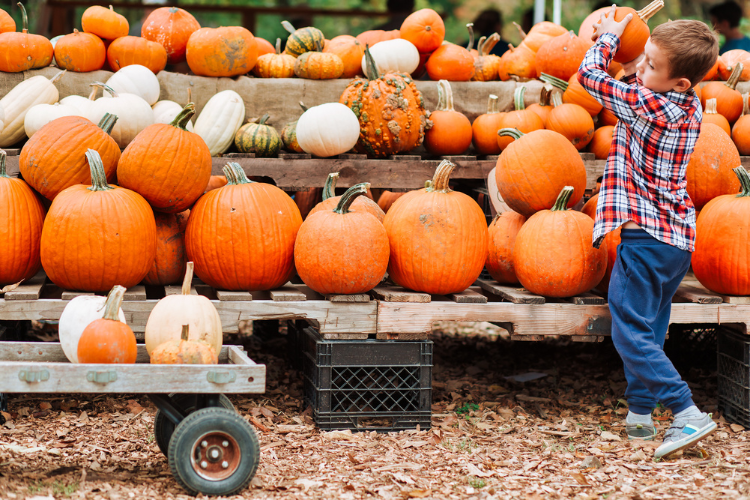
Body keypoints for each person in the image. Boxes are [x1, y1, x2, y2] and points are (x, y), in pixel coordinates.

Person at [577, 8, 719, 460]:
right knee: (649, 328)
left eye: (652, 65)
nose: (641, 68)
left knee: (627, 331)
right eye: (644, 58)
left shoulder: (647, 105)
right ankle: (640, 414)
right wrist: (640, 64)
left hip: (646, 239)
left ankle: (685, 411)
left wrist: (610, 38)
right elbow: (638, 84)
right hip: (676, 240)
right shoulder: (687, 102)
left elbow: (588, 75)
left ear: (679, 81)